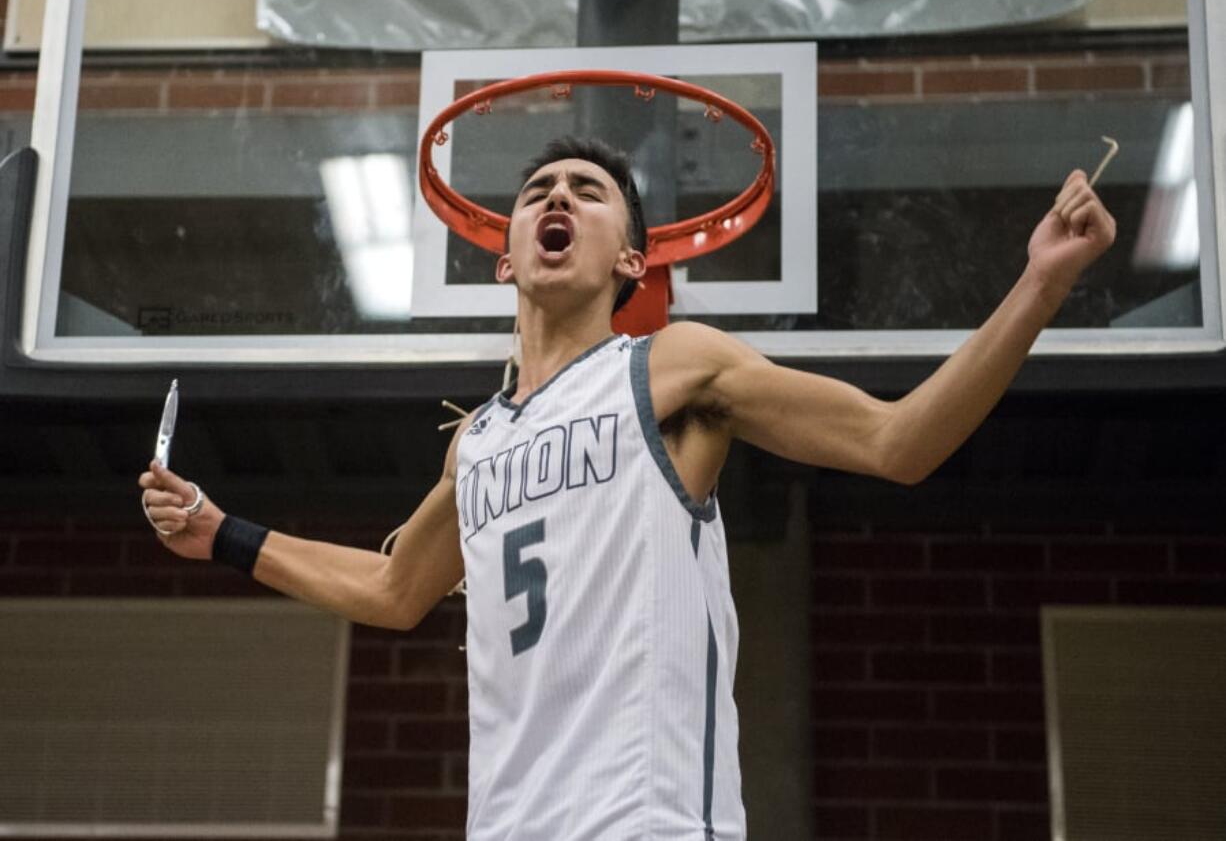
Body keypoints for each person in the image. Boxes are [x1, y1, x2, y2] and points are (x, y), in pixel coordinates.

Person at [139, 136, 1115, 839]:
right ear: (503, 253)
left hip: (643, 818)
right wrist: (224, 532)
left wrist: (1039, 284)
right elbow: (397, 590)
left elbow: (898, 441)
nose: (556, 197)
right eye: (537, 191)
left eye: (587, 190)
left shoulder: (670, 369)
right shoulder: (474, 443)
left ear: (630, 257)